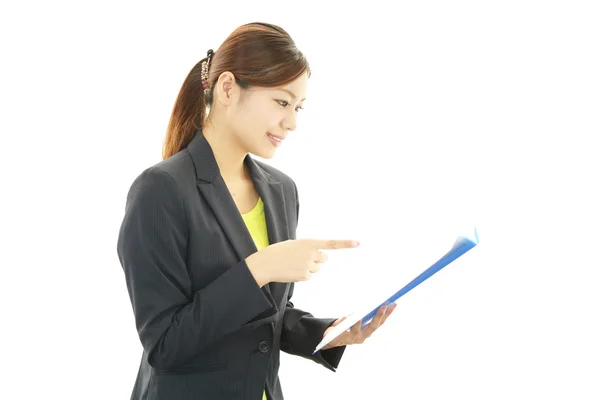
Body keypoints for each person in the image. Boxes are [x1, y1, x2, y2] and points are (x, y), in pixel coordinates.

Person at [116, 22, 396, 400]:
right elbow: (164, 345)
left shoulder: (281, 190)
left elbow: (267, 316)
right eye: (282, 102)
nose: (292, 122)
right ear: (228, 88)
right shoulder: (161, 190)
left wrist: (329, 333)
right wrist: (260, 268)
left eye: (298, 107)